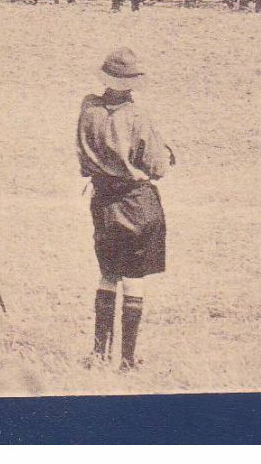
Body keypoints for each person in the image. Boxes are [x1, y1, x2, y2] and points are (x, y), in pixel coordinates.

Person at [76, 48, 173, 371]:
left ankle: (99, 352)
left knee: (107, 274)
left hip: (103, 200)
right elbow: (157, 166)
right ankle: (128, 361)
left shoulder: (88, 108)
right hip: (135, 201)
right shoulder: (136, 116)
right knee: (134, 279)